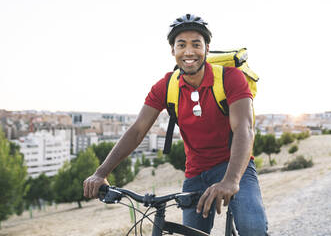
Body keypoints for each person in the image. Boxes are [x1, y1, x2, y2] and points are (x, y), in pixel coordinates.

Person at [84, 14, 268, 235]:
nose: (189, 52)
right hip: (196, 173)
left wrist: (230, 180)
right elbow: (137, 130)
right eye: (181, 45)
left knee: (252, 227)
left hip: (235, 166)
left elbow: (244, 129)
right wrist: (101, 172)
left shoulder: (230, 78)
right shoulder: (166, 86)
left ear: (207, 49)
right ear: (173, 51)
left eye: (196, 44)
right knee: (189, 232)